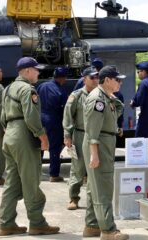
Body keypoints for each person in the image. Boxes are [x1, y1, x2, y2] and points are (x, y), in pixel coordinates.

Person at [0, 57, 59, 236]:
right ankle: (37, 223)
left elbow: (1, 115)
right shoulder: (27, 89)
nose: (39, 73)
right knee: (31, 181)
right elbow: (31, 117)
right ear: (26, 71)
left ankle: (6, 223)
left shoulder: (8, 89)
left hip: (10, 135)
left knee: (12, 183)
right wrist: (43, 137)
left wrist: (11, 132)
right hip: (24, 134)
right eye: (36, 70)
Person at [82, 65, 128, 240]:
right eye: (117, 80)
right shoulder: (98, 100)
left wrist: (113, 98)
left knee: (95, 187)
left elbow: (118, 110)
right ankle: (108, 230)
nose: (120, 83)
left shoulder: (105, 97)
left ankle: (92, 226)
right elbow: (92, 128)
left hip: (104, 143)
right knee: (103, 188)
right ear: (107, 80)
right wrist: (94, 153)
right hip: (99, 144)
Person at [63, 67, 99, 210]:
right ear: (84, 79)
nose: (96, 80)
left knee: (96, 168)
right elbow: (68, 116)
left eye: (97, 77)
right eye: (92, 77)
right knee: (78, 168)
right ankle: (73, 198)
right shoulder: (76, 95)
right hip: (80, 134)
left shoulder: (102, 95)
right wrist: (67, 135)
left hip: (97, 136)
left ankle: (94, 199)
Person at [37, 67, 68, 182]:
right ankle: (54, 174)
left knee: (40, 144)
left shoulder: (42, 86)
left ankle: (36, 171)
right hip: (53, 119)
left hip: (40, 118)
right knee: (54, 147)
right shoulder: (61, 91)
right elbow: (65, 109)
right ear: (63, 78)